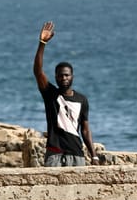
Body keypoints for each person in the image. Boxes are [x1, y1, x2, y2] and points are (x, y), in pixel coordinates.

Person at [33, 21, 99, 167]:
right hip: (55, 154)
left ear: (72, 77)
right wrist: (42, 43)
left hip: (76, 154)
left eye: (67, 75)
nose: (64, 78)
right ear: (56, 77)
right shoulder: (51, 95)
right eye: (60, 76)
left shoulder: (82, 100)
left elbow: (85, 130)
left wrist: (94, 156)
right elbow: (38, 71)